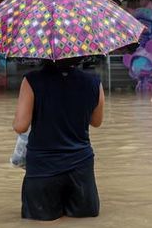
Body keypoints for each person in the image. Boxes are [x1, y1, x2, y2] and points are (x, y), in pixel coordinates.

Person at [12, 57, 105, 221]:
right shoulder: (93, 82)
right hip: (81, 168)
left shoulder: (31, 80)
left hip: (42, 169)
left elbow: (21, 126)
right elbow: (96, 122)